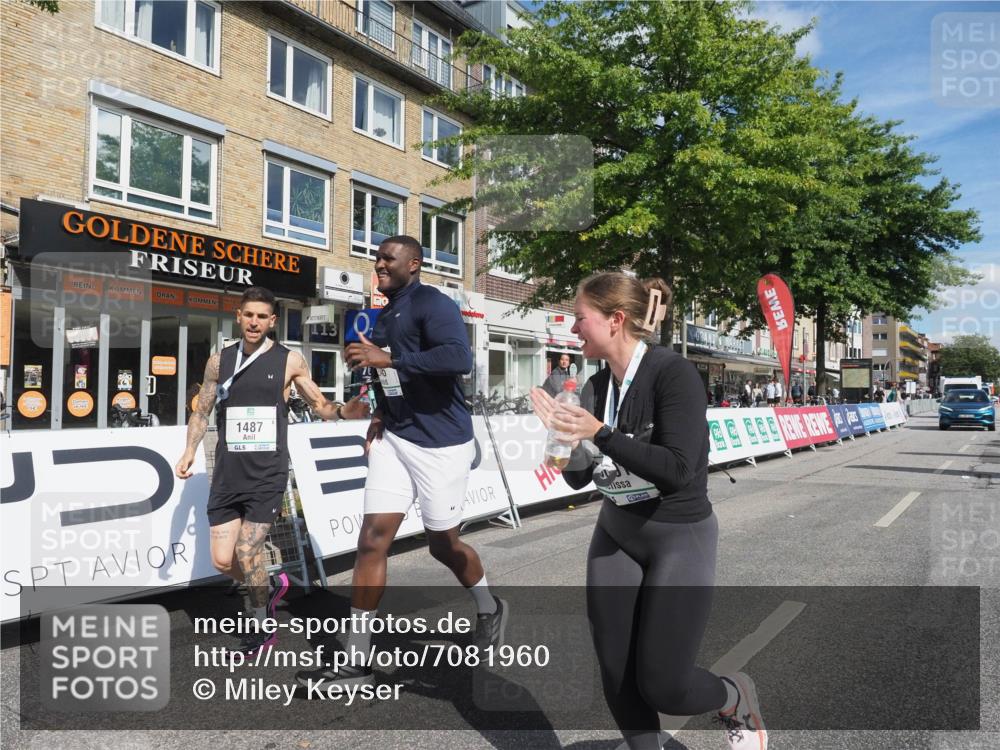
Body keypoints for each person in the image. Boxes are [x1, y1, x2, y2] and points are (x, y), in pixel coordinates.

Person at [530, 272, 767, 750]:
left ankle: (732, 696)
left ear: (615, 320)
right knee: (616, 673)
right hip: (617, 533)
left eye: (580, 318)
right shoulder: (595, 386)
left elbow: (678, 470)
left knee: (664, 685)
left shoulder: (672, 373)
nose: (573, 329)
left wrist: (600, 434)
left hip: (679, 535)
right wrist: (562, 440)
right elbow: (577, 478)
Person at [296, 235, 507, 689]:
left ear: (413, 264)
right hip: (395, 438)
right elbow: (387, 377)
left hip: (441, 443)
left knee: (443, 546)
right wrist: (380, 412)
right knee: (372, 540)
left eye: (387, 258)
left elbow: (458, 358)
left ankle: (490, 606)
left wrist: (389, 357)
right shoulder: (385, 314)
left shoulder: (434, 303)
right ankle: (357, 659)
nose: (378, 263)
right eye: (376, 257)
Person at [175, 286, 369, 656]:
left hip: (267, 474)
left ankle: (262, 626)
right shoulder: (219, 361)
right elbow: (201, 411)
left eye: (262, 316)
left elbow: (319, 404)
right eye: (249, 314)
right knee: (223, 560)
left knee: (248, 550)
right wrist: (189, 450)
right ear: (238, 316)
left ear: (272, 321)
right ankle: (267, 583)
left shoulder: (289, 360)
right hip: (228, 473)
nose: (254, 322)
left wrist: (345, 412)